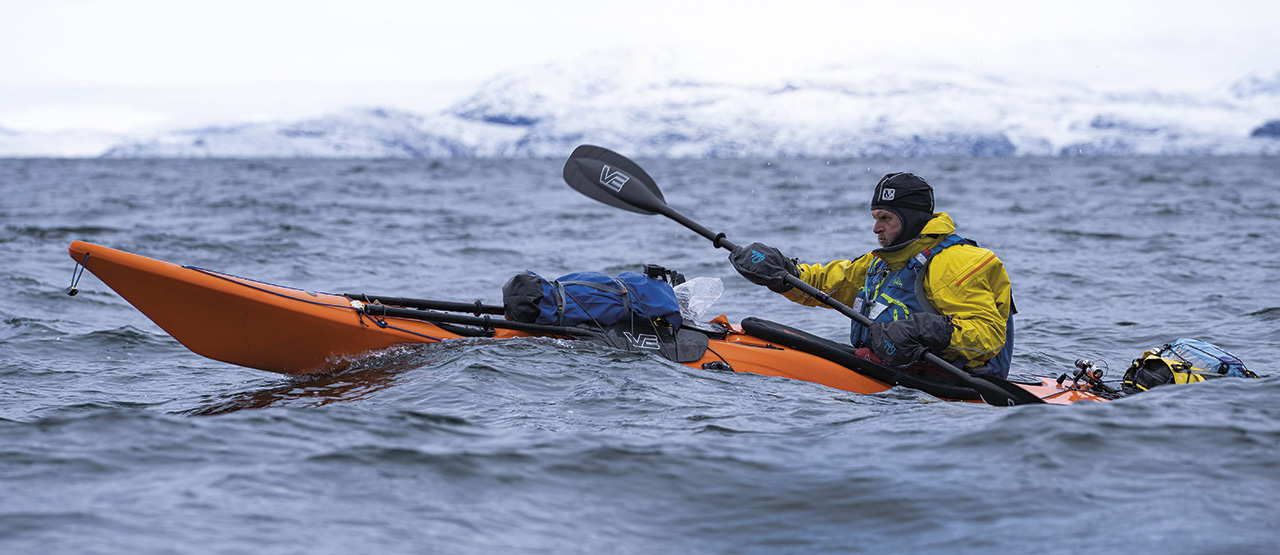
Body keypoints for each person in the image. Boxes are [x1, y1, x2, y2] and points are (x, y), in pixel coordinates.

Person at [728, 172, 1015, 378]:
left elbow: (988, 337)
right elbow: (825, 284)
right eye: (875, 218)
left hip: (952, 384)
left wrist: (922, 330)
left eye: (886, 219)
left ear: (913, 220)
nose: (876, 229)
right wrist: (780, 272)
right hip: (892, 370)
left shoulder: (957, 263)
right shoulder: (880, 263)